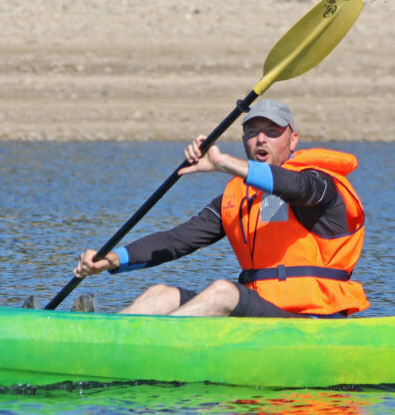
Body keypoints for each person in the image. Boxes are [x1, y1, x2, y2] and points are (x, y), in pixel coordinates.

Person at [72, 99, 368, 318]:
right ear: (244, 141)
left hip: (315, 321)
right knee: (160, 294)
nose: (261, 138)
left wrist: (223, 163)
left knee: (224, 291)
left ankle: (147, 348)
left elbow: (293, 187)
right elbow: (177, 241)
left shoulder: (321, 184)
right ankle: (103, 339)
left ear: (293, 141)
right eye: (252, 131)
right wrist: (111, 259)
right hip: (260, 316)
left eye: (272, 131)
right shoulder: (237, 199)